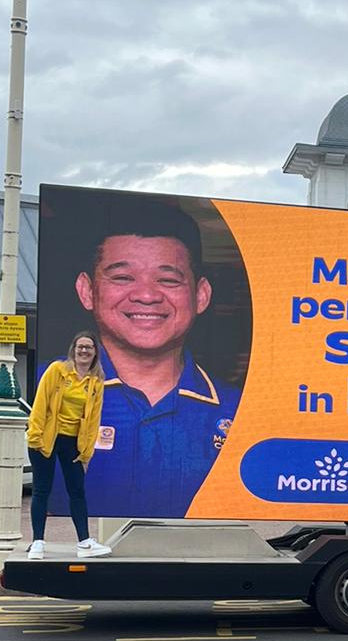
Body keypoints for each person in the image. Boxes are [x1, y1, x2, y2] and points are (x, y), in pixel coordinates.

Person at [72, 200, 241, 518]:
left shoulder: (242, 410)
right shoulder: (48, 388)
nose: (147, 295)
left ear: (200, 295)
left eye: (168, 280)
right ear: (87, 290)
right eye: (122, 278)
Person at [25, 333, 111, 560]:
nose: (84, 351)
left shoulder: (96, 382)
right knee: (42, 490)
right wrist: (35, 438)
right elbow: (40, 403)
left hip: (73, 442)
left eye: (89, 348)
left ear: (95, 353)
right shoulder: (57, 371)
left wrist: (86, 454)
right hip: (46, 438)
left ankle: (84, 543)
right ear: (73, 349)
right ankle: (37, 543)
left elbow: (94, 419)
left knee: (77, 492)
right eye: (80, 347)